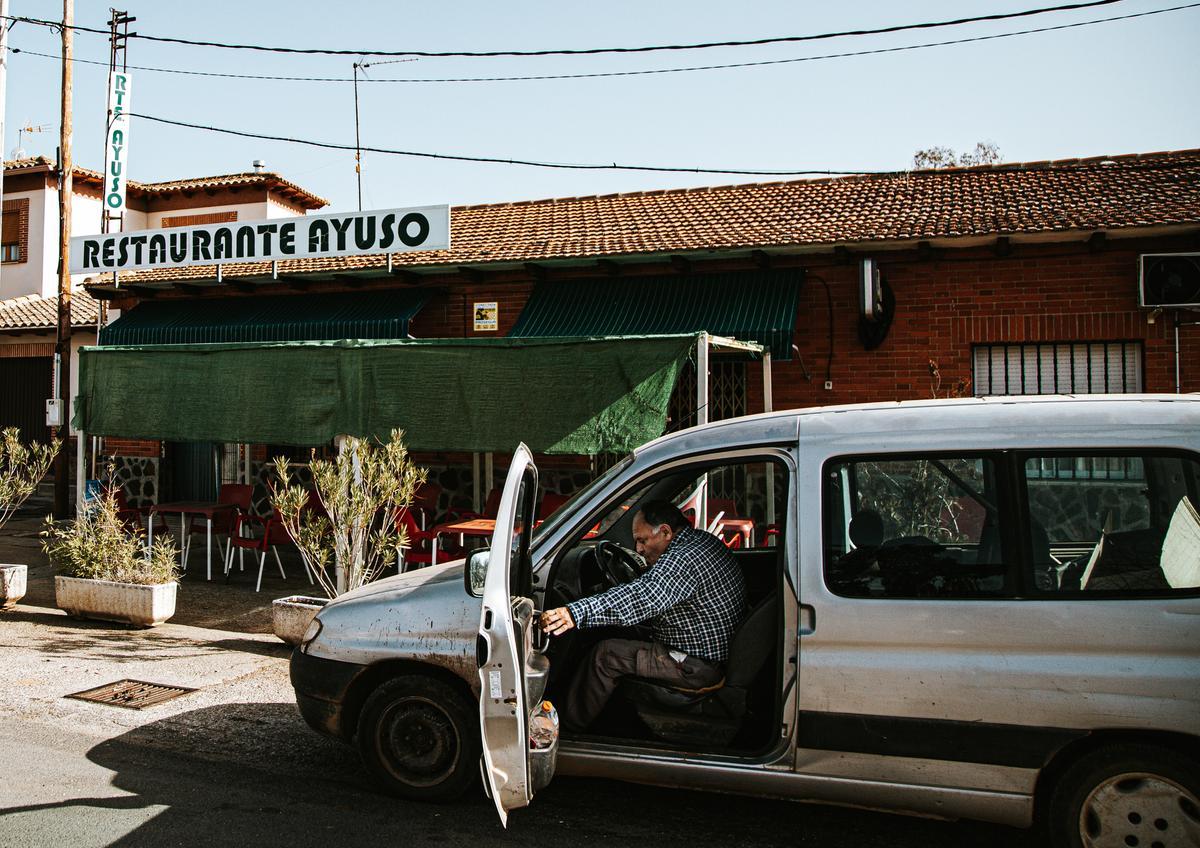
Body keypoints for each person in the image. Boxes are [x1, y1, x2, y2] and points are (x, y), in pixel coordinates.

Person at [540, 499, 747, 732]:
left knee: (605, 655)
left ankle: (566, 730)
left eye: (642, 540)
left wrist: (574, 613)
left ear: (666, 532)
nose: (638, 549)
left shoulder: (683, 558)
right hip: (706, 654)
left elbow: (642, 598)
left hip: (692, 666)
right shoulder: (698, 541)